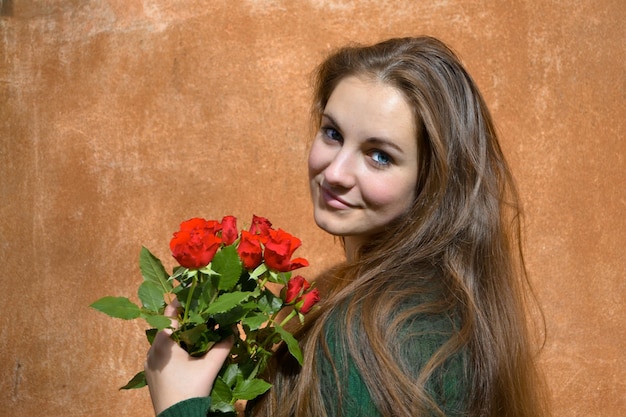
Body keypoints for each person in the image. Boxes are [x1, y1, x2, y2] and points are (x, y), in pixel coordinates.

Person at [145, 36, 549, 417]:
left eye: (379, 156)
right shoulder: (437, 307)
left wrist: (180, 404)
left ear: (434, 181)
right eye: (333, 133)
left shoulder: (369, 337)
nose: (335, 172)